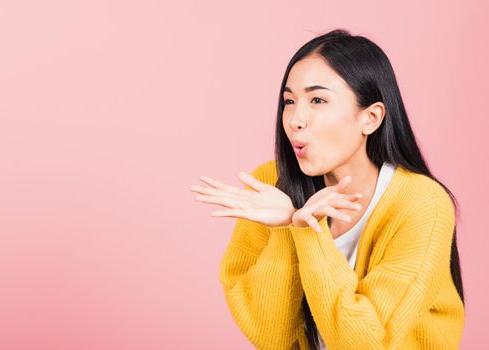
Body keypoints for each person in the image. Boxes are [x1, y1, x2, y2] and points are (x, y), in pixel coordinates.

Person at [189, 28, 464, 349]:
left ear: (371, 118)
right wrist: (287, 226)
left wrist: (306, 231)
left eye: (318, 100)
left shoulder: (421, 203)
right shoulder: (269, 186)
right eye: (289, 101)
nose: (295, 119)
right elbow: (270, 336)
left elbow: (368, 343)